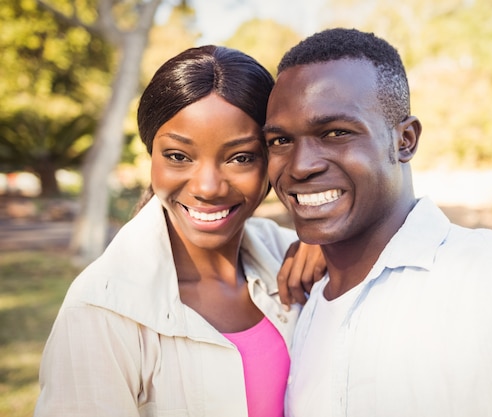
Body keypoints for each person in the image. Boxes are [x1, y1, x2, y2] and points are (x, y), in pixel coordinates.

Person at [265, 28, 492, 417]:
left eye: (336, 133)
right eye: (281, 141)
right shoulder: (298, 301)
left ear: (405, 140)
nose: (300, 166)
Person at [35, 45, 324, 417]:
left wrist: (329, 245)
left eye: (240, 157)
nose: (208, 187)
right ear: (151, 155)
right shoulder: (101, 309)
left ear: (271, 158)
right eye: (178, 156)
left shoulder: (288, 254)